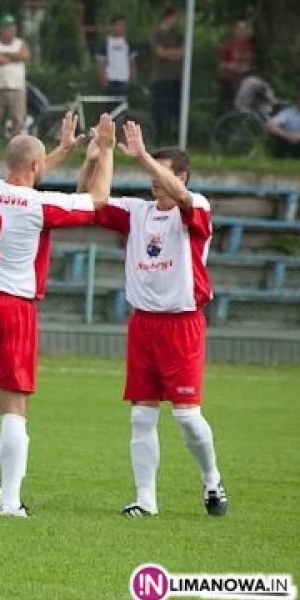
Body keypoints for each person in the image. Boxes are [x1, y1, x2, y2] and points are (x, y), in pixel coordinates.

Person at [0, 112, 115, 517]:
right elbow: (96, 201)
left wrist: (63, 151)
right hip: (12, 306)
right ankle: (11, 501)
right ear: (35, 167)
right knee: (14, 405)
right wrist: (106, 153)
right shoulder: (38, 205)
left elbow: (25, 176)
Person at [77, 123, 228, 518]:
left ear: (181, 176)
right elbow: (86, 202)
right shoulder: (136, 212)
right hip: (143, 324)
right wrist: (98, 157)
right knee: (142, 413)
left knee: (186, 416)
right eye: (148, 173)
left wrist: (141, 155)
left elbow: (182, 198)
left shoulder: (196, 207)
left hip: (182, 325)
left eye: (159, 173)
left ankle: (212, 478)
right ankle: (145, 499)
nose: (152, 182)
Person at [150, 7, 185, 145]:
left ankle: (175, 141)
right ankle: (158, 141)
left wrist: (168, 53)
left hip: (176, 78)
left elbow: (183, 53)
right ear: (168, 17)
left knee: (175, 111)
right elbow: (160, 53)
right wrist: (172, 53)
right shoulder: (156, 34)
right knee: (160, 111)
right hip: (161, 78)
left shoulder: (178, 36)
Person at [0, 15, 30, 143]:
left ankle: (15, 145)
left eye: (12, 28)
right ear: (1, 30)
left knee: (18, 119)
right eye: (6, 28)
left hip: (17, 88)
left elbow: (24, 55)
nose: (10, 31)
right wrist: (15, 57)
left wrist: (7, 54)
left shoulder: (20, 43)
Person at [266, 88, 300, 159]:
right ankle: (279, 156)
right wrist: (286, 135)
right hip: (287, 140)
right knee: (273, 132)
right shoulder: (288, 113)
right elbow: (271, 125)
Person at [95, 14, 136, 97]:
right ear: (112, 26)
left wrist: (132, 80)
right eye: (119, 25)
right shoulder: (105, 43)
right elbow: (99, 64)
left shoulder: (128, 43)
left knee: (123, 108)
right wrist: (103, 82)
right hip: (111, 82)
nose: (122, 28)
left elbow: (132, 63)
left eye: (124, 25)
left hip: (124, 82)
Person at [218, 21, 255, 112]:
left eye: (244, 30)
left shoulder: (249, 46)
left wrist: (246, 67)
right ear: (235, 30)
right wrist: (230, 66)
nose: (241, 32)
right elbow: (220, 65)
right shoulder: (228, 45)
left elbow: (250, 63)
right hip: (229, 80)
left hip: (243, 79)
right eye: (239, 29)